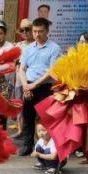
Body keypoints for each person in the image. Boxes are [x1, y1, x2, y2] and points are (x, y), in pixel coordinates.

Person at [16, 17, 60, 156]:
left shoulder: (54, 48)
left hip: (45, 87)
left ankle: (46, 145)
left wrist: (34, 84)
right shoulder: (28, 48)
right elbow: (22, 68)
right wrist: (26, 85)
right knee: (27, 116)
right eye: (35, 31)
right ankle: (27, 145)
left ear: (47, 31)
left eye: (40, 31)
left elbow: (51, 71)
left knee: (45, 118)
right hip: (28, 85)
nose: (37, 34)